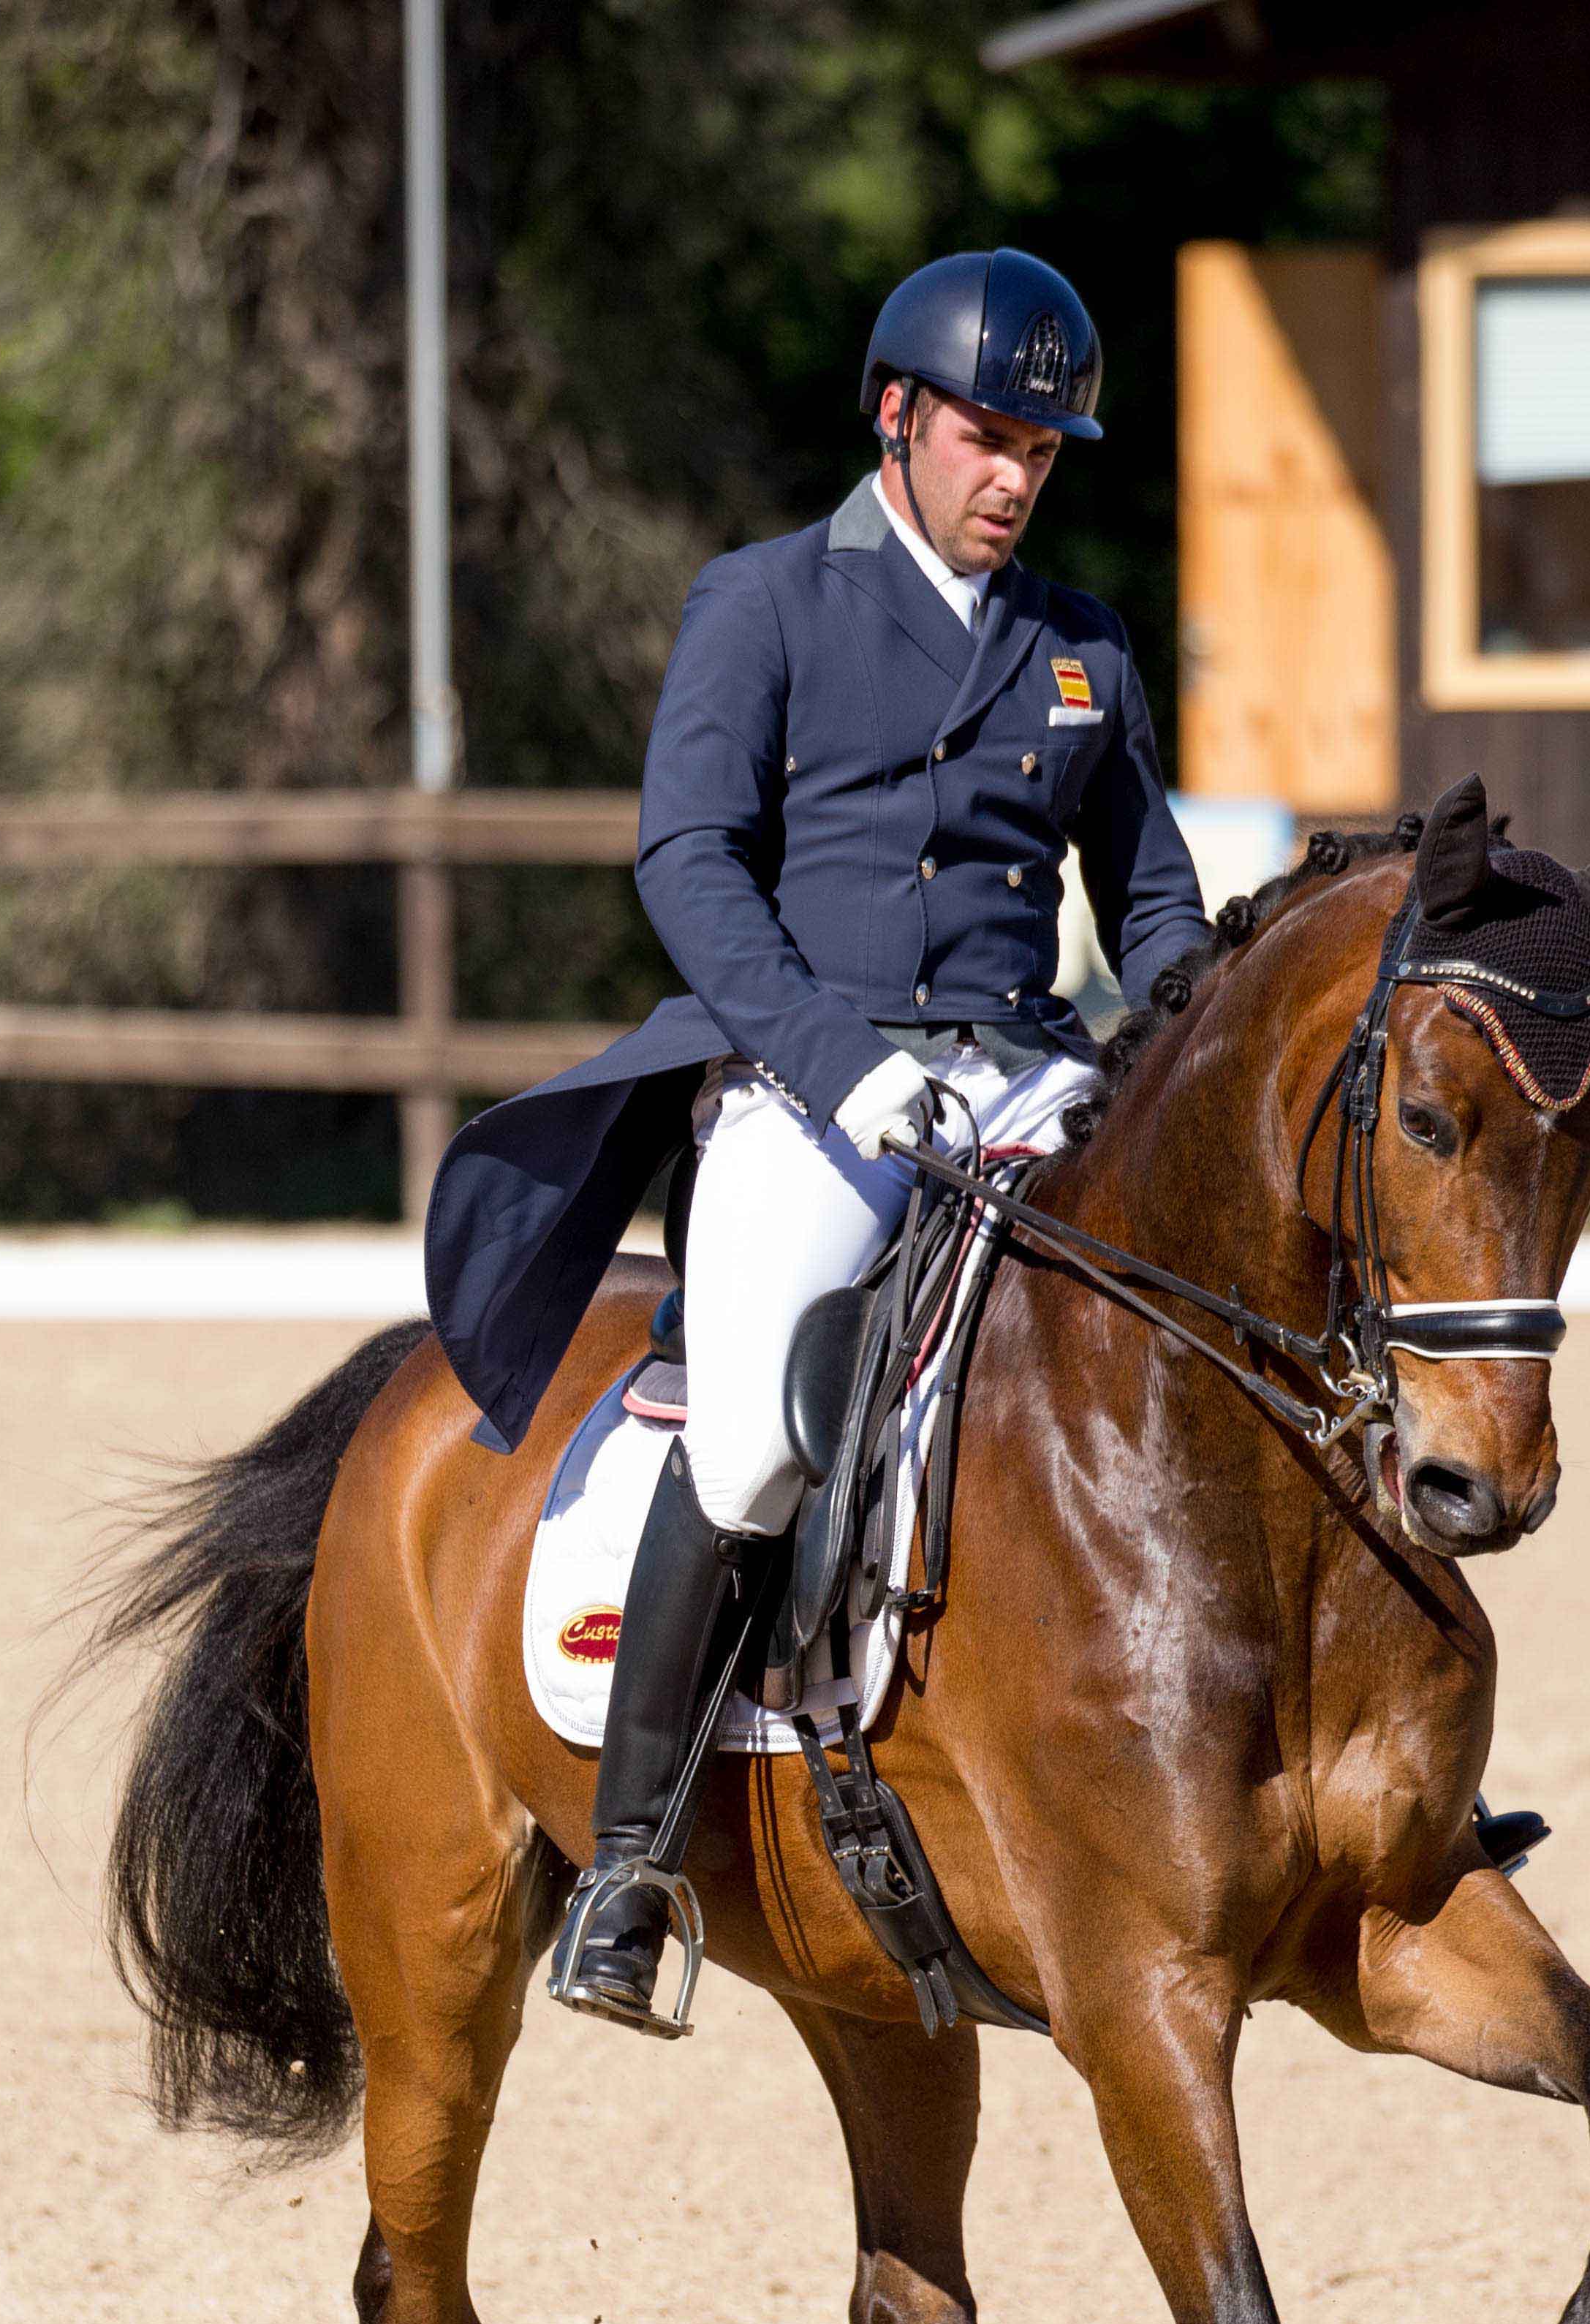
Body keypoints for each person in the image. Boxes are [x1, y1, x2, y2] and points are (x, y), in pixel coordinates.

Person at [424, 249, 1207, 2032]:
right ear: (899, 418)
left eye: (1044, 449)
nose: (1016, 476)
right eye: (990, 438)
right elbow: (685, 863)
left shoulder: (1080, 645)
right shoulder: (764, 603)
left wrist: (1164, 1062)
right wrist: (842, 1071)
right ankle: (627, 1868)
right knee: (758, 1445)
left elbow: (1150, 904)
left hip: (1025, 1082)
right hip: (811, 1085)